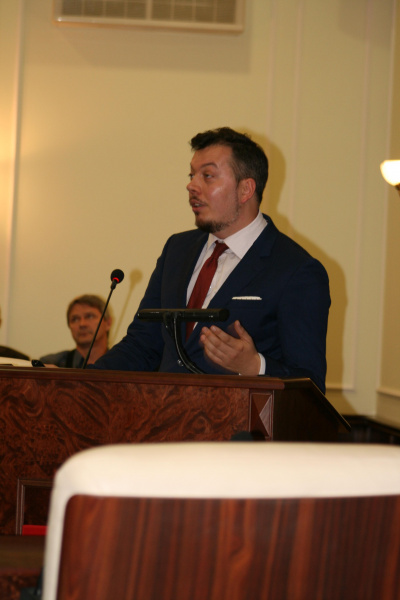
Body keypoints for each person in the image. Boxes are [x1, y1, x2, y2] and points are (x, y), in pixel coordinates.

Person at [92, 127, 331, 393]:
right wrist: (78, 381)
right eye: (191, 175)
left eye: (207, 176)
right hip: (162, 417)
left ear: (245, 189)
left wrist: (255, 366)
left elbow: (310, 386)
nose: (191, 186)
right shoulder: (177, 250)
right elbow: (142, 345)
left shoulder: (296, 270)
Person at [40, 294, 112, 368]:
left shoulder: (118, 364)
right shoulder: (50, 364)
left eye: (89, 316)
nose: (82, 324)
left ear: (108, 323)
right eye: (75, 319)